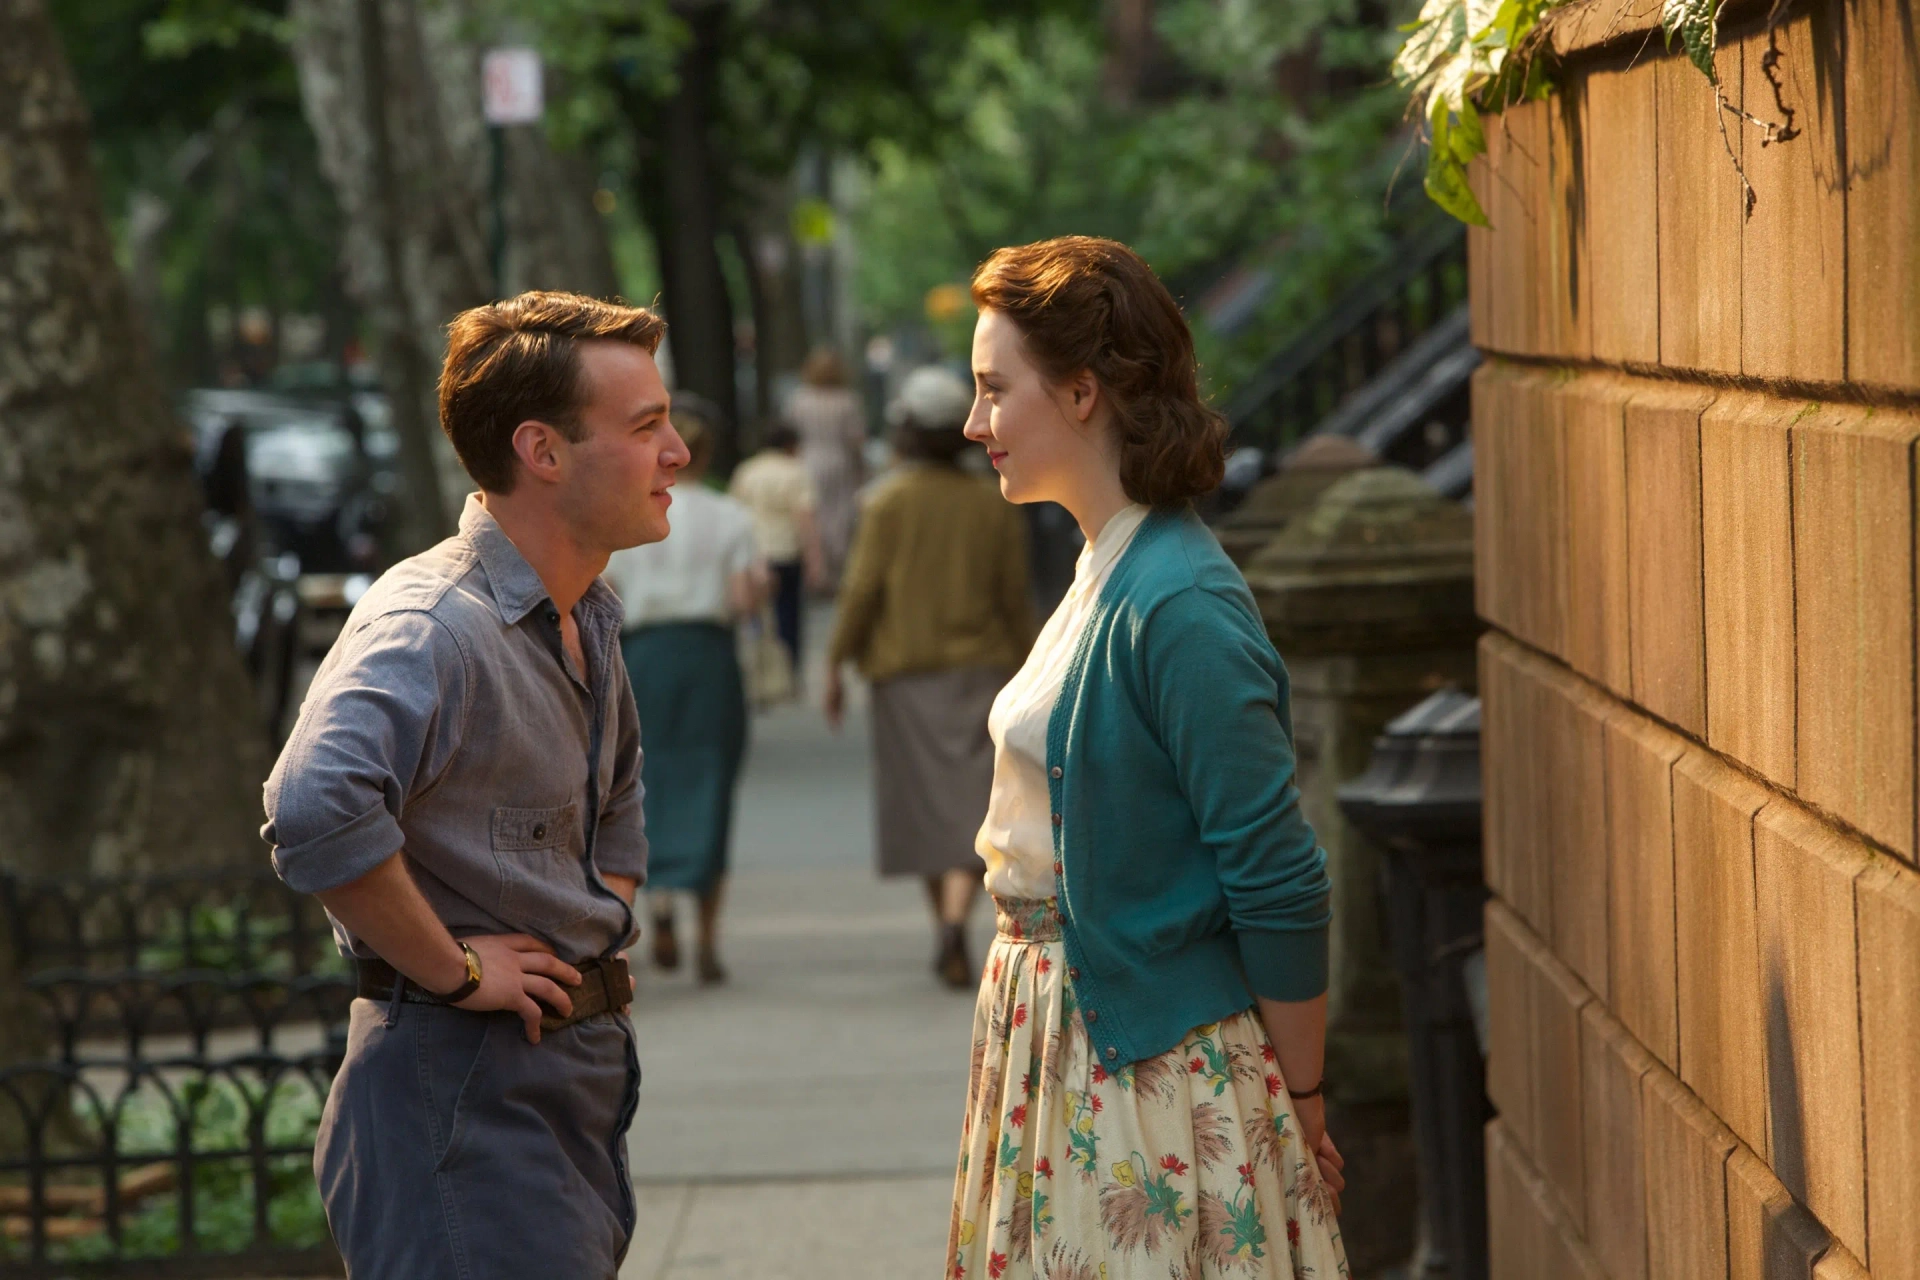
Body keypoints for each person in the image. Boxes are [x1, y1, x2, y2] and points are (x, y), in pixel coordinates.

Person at [261, 292, 689, 1279]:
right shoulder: (432, 625)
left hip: (557, 1091)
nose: (677, 451)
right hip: (455, 1092)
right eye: (645, 426)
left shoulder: (587, 612)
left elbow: (615, 819)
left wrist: (583, 946)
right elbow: (313, 804)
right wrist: (456, 966)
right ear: (543, 450)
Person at [946, 238, 1350, 1279]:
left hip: (1149, 1073)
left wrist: (1299, 1097)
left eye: (996, 389)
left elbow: (1278, 872)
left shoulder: (1179, 601)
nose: (974, 421)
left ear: (1082, 392)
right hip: (1075, 1048)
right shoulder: (1109, 564)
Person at [822, 366, 1036, 989]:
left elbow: (862, 591)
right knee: (979, 805)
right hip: (985, 669)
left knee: (921, 808)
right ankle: (956, 919)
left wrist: (836, 661)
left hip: (904, 674)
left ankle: (942, 922)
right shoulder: (991, 502)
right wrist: (1035, 663)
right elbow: (1013, 593)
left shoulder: (885, 501)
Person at [602, 397, 764, 986]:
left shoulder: (632, 517)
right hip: (707, 658)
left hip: (643, 656)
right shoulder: (731, 516)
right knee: (712, 781)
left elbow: (606, 591)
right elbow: (746, 598)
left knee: (645, 779)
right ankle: (708, 939)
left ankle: (660, 907)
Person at [730, 421, 824, 671]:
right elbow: (805, 517)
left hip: (753, 554)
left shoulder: (747, 470)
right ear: (791, 445)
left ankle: (760, 668)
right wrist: (815, 559)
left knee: (757, 615)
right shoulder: (795, 471)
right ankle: (788, 668)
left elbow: (735, 512)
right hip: (786, 552)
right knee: (788, 615)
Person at [785, 346, 868, 588]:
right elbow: (856, 438)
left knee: (814, 513)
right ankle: (837, 570)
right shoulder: (847, 400)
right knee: (840, 515)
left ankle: (817, 570)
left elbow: (791, 433)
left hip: (808, 460)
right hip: (839, 462)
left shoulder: (799, 399)